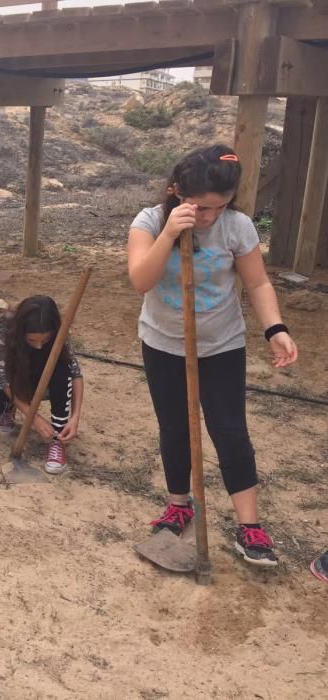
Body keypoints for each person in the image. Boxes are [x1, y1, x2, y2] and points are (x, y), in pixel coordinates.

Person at [127, 144, 298, 568]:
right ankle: (179, 503)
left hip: (222, 345)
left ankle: (250, 527)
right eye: (201, 209)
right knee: (176, 426)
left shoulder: (236, 228)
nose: (208, 218)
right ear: (175, 192)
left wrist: (274, 328)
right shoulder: (149, 221)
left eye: (218, 208)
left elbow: (257, 285)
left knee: (230, 430)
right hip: (163, 342)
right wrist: (169, 233)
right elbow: (140, 281)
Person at [0, 296, 84, 474]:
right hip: (9, 378)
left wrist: (75, 417)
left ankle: (57, 441)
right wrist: (34, 418)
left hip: (40, 380)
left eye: (44, 341)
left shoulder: (59, 335)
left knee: (62, 369)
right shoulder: (5, 330)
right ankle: (8, 405)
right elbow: (3, 379)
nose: (38, 346)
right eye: (32, 340)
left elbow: (75, 374)